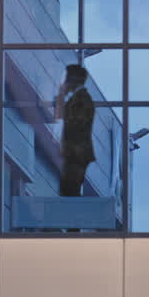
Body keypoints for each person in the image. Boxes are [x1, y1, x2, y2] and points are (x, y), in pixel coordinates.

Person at [54, 64, 96, 197]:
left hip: (77, 153)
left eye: (66, 79)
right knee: (68, 189)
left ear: (72, 80)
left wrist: (62, 97)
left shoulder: (82, 99)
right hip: (75, 152)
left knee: (70, 189)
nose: (64, 83)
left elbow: (75, 123)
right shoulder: (78, 98)